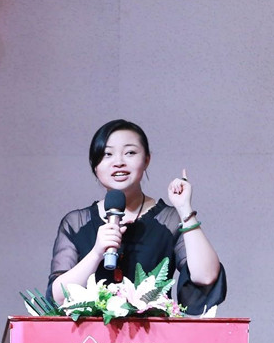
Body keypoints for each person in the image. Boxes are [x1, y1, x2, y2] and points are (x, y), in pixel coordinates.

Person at [46, 119, 226, 315]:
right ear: (95, 165)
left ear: (147, 159)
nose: (118, 162)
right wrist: (97, 253)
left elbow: (205, 277)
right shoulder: (76, 223)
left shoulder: (169, 220)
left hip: (154, 333)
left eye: (130, 152)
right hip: (90, 334)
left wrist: (184, 209)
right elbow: (58, 297)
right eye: (107, 154)